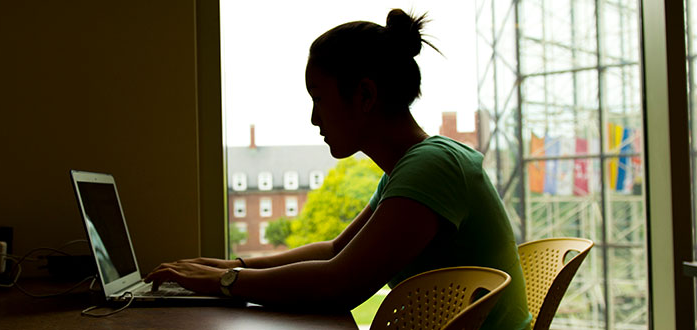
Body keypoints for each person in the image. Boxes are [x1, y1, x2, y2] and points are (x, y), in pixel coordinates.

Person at [145, 9, 532, 329]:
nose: (314, 118)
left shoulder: (434, 168)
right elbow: (335, 250)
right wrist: (231, 266)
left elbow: (339, 283)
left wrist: (225, 281)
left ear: (365, 95)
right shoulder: (411, 169)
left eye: (318, 98)